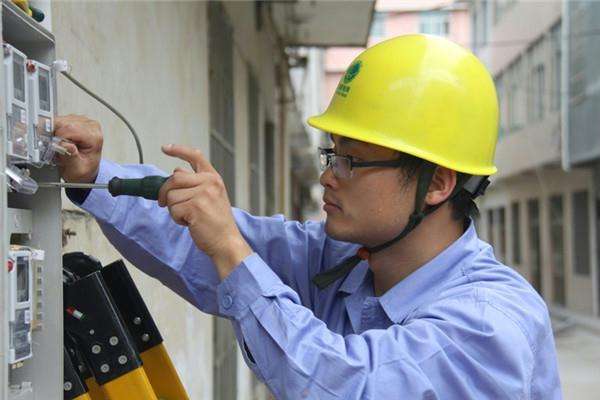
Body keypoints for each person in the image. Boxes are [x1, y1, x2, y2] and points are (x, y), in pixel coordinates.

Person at [55, 35, 561, 399]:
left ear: (437, 185)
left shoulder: (490, 325)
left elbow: (354, 385)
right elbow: (204, 241)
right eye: (331, 155)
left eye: (352, 160)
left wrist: (232, 251)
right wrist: (95, 177)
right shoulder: (349, 264)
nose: (329, 177)